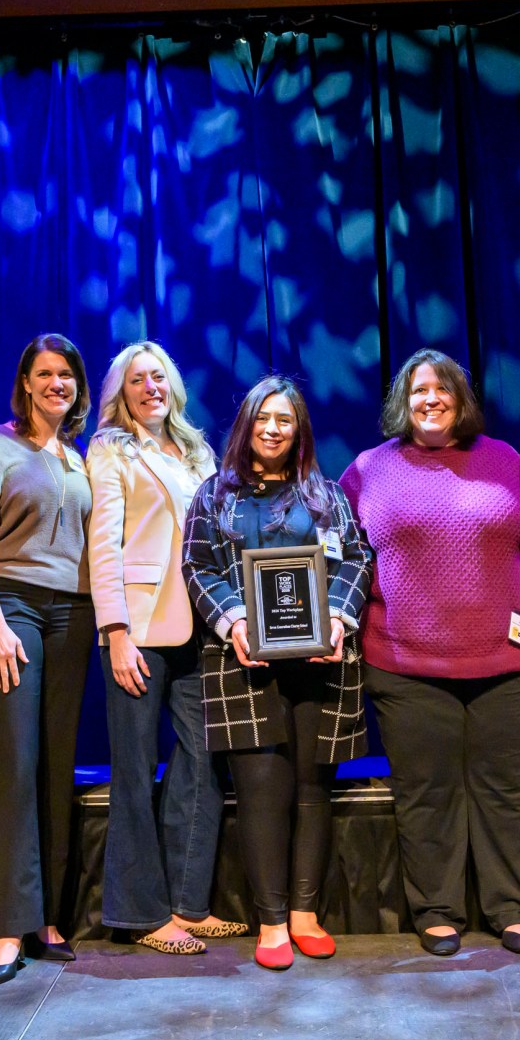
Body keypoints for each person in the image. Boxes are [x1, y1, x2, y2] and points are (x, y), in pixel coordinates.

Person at [339, 349, 520, 957]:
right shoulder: (367, 470)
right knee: (426, 791)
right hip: (405, 664)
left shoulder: (505, 461)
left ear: (461, 399)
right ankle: (436, 910)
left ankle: (511, 909)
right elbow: (344, 559)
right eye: (418, 392)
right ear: (401, 405)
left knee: (506, 789)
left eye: (442, 390)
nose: (430, 400)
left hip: (508, 662)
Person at [184, 378, 373, 971]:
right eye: (263, 418)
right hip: (242, 661)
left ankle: (305, 914)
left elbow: (358, 558)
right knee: (263, 790)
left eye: (285, 421)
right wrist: (236, 622)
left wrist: (339, 619)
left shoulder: (327, 495)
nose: (273, 428)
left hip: (322, 660)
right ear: (246, 424)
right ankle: (271, 921)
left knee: (314, 787)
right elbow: (197, 566)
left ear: (299, 430)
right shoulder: (214, 495)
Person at [87, 342, 244, 954]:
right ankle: (138, 913)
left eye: (158, 377)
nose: (149, 387)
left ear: (172, 386)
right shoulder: (110, 450)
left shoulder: (199, 452)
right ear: (121, 393)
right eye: (136, 380)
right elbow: (104, 545)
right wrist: (116, 633)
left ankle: (187, 902)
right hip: (141, 628)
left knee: (204, 758)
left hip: (200, 624)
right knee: (132, 770)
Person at [0, 335, 95, 989]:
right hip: (11, 609)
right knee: (14, 763)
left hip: (74, 613)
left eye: (65, 374)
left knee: (55, 763)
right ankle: (10, 925)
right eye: (43, 373)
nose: (55, 383)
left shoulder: (81, 456)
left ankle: (48, 919)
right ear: (25, 381)